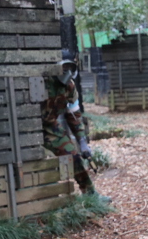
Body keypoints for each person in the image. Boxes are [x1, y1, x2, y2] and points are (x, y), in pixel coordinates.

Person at [41, 49, 110, 201]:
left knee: (74, 156)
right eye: (63, 67)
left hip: (50, 127)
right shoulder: (42, 82)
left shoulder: (69, 87)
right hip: (29, 127)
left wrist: (82, 142)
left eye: (69, 67)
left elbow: (74, 116)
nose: (66, 71)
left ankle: (90, 194)